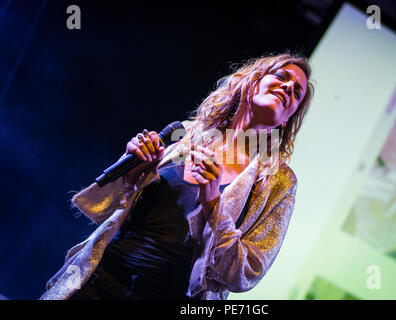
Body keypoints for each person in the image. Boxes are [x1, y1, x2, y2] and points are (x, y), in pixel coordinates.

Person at [39, 52, 314, 300]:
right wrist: (134, 169)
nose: (289, 87)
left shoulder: (277, 180)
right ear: (252, 82)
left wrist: (212, 203)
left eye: (297, 93)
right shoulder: (186, 134)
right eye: (281, 76)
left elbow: (246, 273)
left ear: (287, 118)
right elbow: (107, 208)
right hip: (98, 283)